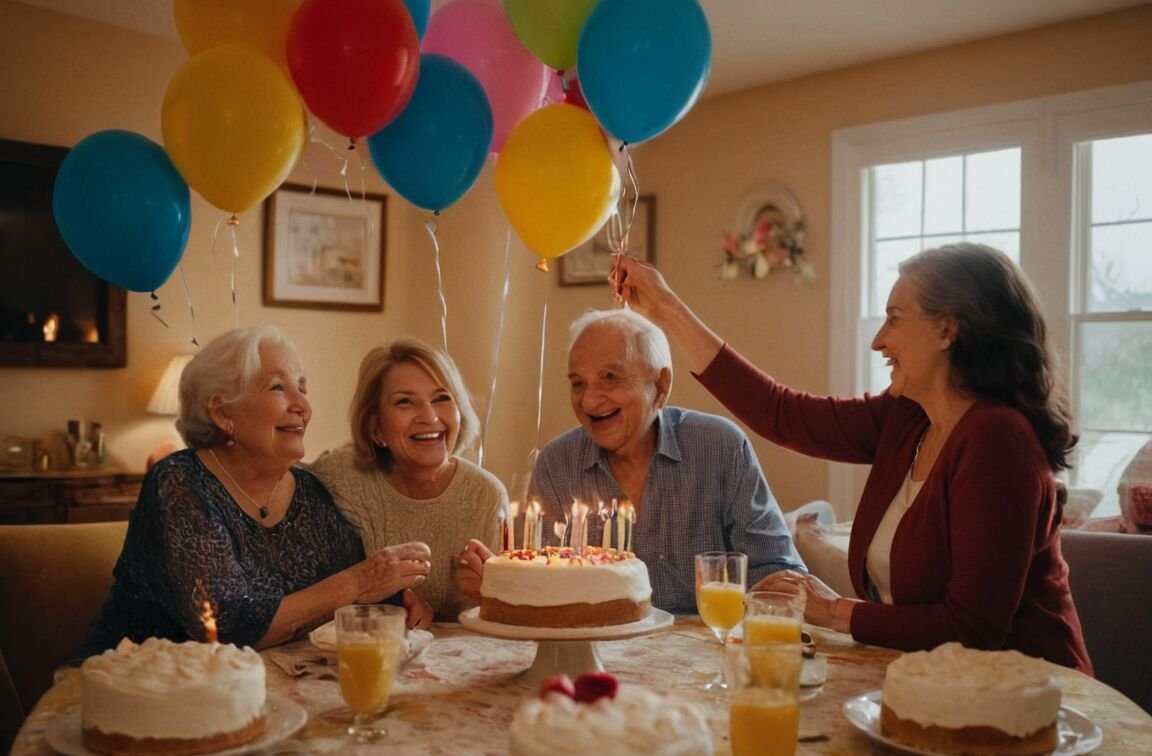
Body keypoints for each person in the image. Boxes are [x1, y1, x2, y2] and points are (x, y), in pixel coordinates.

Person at [612, 244, 1093, 672]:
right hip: (931, 686)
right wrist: (666, 308)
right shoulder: (907, 417)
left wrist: (833, 610)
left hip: (1030, 701)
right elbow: (781, 412)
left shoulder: (998, 439)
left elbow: (973, 629)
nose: (878, 340)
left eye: (895, 318)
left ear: (948, 329)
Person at [80, 326, 434, 657]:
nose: (303, 407)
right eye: (278, 387)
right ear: (221, 412)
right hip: (136, 686)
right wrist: (359, 582)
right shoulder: (179, 482)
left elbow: (359, 589)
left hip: (251, 692)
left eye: (302, 389)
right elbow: (225, 627)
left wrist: (401, 604)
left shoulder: (308, 492)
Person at [462, 307, 805, 614]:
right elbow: (543, 589)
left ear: (660, 386)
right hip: (596, 655)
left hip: (706, 655)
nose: (591, 400)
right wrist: (502, 586)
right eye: (578, 383)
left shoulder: (719, 446)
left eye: (611, 378)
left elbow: (777, 573)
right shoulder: (558, 464)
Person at [310, 337, 509, 621]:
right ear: (375, 425)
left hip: (459, 659)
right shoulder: (339, 480)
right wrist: (392, 606)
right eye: (405, 402)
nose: (429, 417)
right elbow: (313, 589)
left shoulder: (486, 497)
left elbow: (508, 623)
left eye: (442, 398)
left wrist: (491, 596)